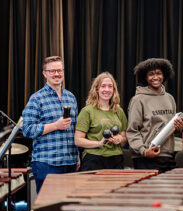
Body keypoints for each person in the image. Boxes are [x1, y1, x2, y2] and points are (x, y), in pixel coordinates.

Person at [22, 56, 78, 193]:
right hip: (47, 163)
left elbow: (75, 130)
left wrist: (77, 156)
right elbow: (27, 129)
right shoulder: (36, 99)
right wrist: (55, 125)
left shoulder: (71, 97)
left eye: (59, 70)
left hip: (70, 162)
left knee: (67, 209)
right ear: (44, 73)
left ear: (63, 72)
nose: (56, 74)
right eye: (52, 71)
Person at [126, 58, 183, 173]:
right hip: (145, 157)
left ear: (164, 75)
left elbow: (172, 128)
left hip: (167, 156)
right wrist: (143, 151)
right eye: (151, 74)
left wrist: (178, 128)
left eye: (158, 73)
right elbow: (132, 131)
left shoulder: (169, 98)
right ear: (145, 77)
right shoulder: (138, 99)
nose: (155, 77)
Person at [75, 72, 128, 171]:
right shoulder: (87, 111)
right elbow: (78, 140)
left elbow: (124, 138)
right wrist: (99, 143)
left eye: (110, 86)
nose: (107, 90)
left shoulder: (119, 111)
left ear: (114, 90)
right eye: (103, 86)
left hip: (116, 159)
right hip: (94, 159)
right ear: (96, 89)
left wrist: (120, 138)